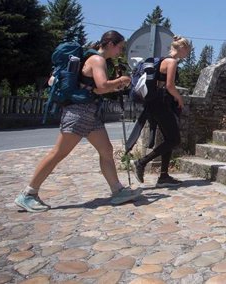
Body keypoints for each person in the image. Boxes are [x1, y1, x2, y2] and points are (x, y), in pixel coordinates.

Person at [14, 31, 143, 212]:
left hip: (90, 114)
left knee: (106, 150)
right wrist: (121, 80)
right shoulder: (97, 60)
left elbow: (95, 91)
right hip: (79, 113)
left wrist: (114, 84)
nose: (121, 51)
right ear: (111, 44)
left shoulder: (95, 59)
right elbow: (102, 86)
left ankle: (117, 190)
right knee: (58, 153)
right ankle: (28, 193)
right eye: (120, 47)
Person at [132, 36, 190, 188]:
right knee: (174, 139)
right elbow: (170, 86)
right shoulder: (172, 62)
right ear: (181, 48)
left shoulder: (162, 60)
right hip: (162, 103)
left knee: (168, 139)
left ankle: (164, 176)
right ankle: (141, 162)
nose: (188, 53)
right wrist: (180, 98)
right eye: (187, 50)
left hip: (155, 103)